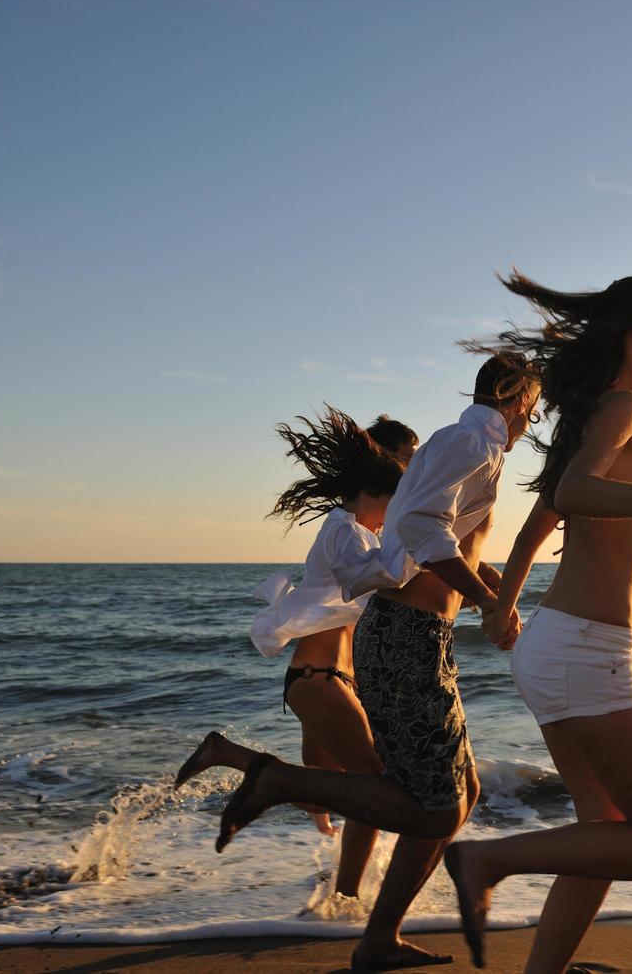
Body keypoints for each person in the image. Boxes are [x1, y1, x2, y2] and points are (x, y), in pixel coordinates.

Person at [440, 273, 632, 972]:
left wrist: (500, 604)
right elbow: (575, 494)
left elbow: (548, 520)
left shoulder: (617, 414)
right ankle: (486, 861)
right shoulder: (619, 409)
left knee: (604, 829)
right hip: (582, 652)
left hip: (562, 646)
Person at [209, 352, 542, 972]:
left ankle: (377, 937)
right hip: (404, 636)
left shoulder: (466, 446)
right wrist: (486, 600)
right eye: (534, 405)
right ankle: (278, 782)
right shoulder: (473, 441)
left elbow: (441, 542)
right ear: (514, 397)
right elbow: (419, 526)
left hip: (421, 636)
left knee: (460, 795)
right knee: (433, 803)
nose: (534, 419)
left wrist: (495, 591)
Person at [174, 408, 419, 906]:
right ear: (383, 466)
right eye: (408, 461)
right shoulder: (346, 531)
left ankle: (231, 757)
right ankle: (347, 897)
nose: (412, 472)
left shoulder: (361, 531)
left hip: (328, 679)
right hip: (321, 677)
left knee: (327, 792)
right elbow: (386, 579)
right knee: (376, 791)